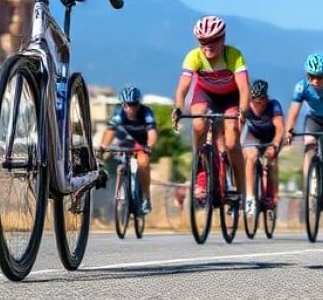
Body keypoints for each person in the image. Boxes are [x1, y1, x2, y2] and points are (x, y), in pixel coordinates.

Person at [172, 15, 250, 204]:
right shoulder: (194, 56)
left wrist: (243, 111)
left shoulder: (234, 55)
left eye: (212, 41)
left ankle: (241, 194)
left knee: (232, 143)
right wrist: (178, 109)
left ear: (222, 39)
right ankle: (200, 165)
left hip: (231, 97)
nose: (207, 46)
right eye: (202, 41)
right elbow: (183, 88)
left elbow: (244, 88)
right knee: (199, 124)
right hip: (205, 94)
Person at [282, 53, 323, 207]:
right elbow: (294, 110)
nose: (315, 81)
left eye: (320, 77)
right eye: (311, 76)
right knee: (309, 145)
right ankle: (309, 187)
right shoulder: (301, 87)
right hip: (315, 120)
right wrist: (289, 130)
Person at [98, 84, 159, 213]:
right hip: (125, 142)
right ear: (122, 105)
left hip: (142, 142)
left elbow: (152, 132)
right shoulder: (119, 112)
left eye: (134, 105)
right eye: (127, 105)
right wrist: (103, 147)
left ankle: (146, 198)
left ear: (138, 104)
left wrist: (149, 146)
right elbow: (110, 131)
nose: (130, 109)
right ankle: (119, 198)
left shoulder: (146, 112)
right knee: (120, 166)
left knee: (143, 163)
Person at [240, 79, 285, 218]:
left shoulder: (273, 106)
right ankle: (250, 198)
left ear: (266, 99)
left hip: (271, 137)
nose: (259, 105)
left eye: (262, 101)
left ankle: (272, 196)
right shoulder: (246, 107)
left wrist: (275, 143)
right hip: (254, 136)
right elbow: (238, 126)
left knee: (271, 162)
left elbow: (280, 128)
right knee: (251, 158)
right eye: (255, 102)